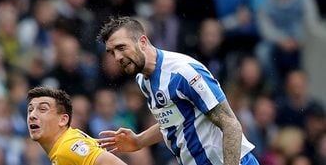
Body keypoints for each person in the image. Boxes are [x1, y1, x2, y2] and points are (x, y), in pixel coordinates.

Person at [96, 16, 259, 165]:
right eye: (112, 52)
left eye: (121, 47)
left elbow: (231, 124)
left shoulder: (183, 72)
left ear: (143, 42)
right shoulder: (143, 81)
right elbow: (175, 121)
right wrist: (139, 141)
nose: (117, 57)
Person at [26, 86, 127, 165]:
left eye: (43, 109)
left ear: (63, 120)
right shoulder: (68, 141)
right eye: (30, 110)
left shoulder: (67, 148)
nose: (32, 115)